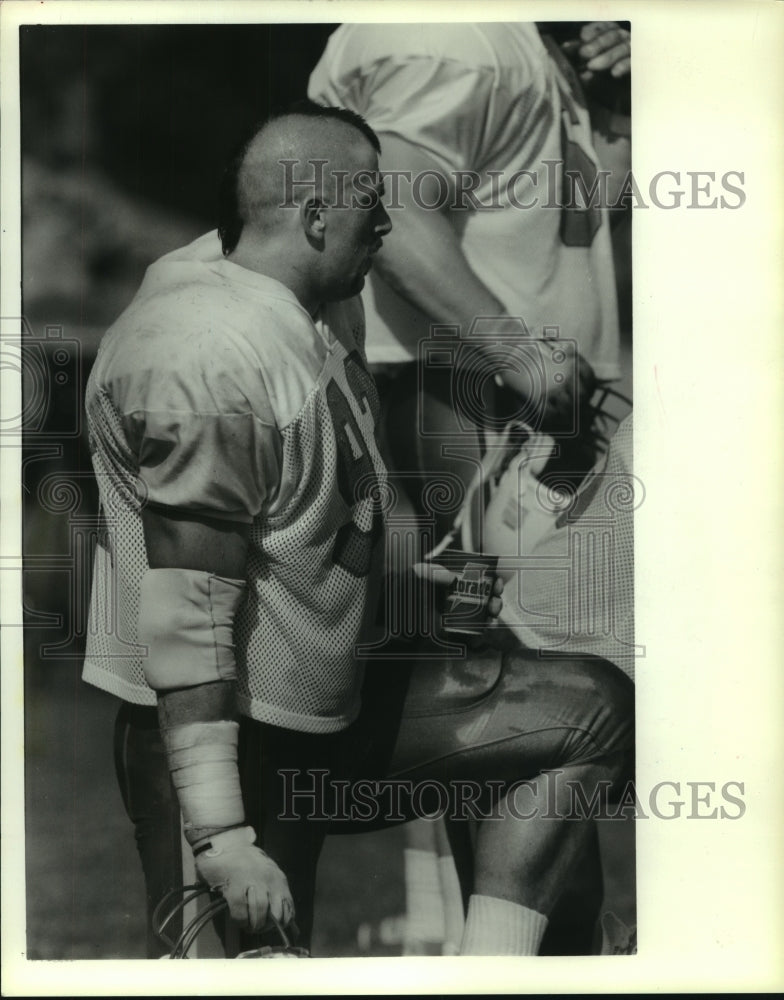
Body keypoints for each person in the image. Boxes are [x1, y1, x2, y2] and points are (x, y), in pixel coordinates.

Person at [308, 20, 634, 955]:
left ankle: (530, 958)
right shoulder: (452, 29)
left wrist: (613, 104)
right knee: (528, 710)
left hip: (527, 414)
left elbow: (580, 209)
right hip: (458, 398)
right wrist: (515, 348)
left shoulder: (537, 41)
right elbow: (389, 208)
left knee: (567, 708)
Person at [82, 102, 397, 955]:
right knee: (226, 967)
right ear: (316, 215)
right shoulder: (209, 351)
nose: (390, 221)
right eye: (374, 198)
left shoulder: (305, 295)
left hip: (306, 706)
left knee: (583, 712)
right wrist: (219, 834)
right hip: (217, 725)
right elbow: (190, 616)